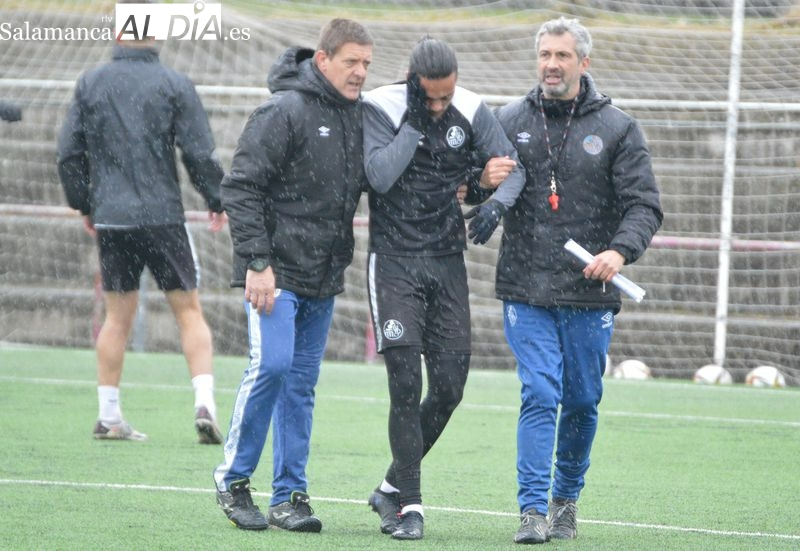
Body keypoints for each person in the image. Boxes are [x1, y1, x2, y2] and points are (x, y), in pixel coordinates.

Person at [489, 17, 663, 544]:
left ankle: (565, 500)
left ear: (583, 63)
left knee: (583, 400)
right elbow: (477, 186)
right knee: (540, 391)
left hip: (589, 292)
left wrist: (618, 251)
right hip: (526, 286)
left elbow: (645, 206)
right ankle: (531, 510)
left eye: (562, 55)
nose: (551, 64)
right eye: (545, 54)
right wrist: (478, 182)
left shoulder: (617, 127)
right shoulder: (507, 119)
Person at [212, 19, 374, 533]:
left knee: (301, 385)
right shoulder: (283, 110)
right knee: (273, 366)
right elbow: (240, 189)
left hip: (323, 277)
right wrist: (258, 263)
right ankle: (233, 480)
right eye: (352, 62)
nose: (361, 73)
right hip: (275, 275)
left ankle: (289, 497)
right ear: (323, 60)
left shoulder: (357, 117)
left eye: (367, 64)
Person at [362, 37, 525, 540]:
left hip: (447, 264)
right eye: (428, 96)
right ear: (412, 82)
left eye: (444, 96)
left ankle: (389, 486)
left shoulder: (471, 107)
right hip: (393, 265)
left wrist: (494, 201)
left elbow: (513, 168)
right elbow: (379, 176)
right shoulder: (380, 107)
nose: (439, 105)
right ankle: (409, 506)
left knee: (450, 388)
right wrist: (415, 121)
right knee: (405, 383)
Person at [56, 38, 227, 445]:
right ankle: (205, 403)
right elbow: (198, 150)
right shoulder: (174, 83)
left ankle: (109, 414)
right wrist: (216, 198)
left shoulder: (90, 83)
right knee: (188, 310)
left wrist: (85, 204)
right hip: (162, 214)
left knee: (117, 317)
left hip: (113, 217)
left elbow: (68, 152)